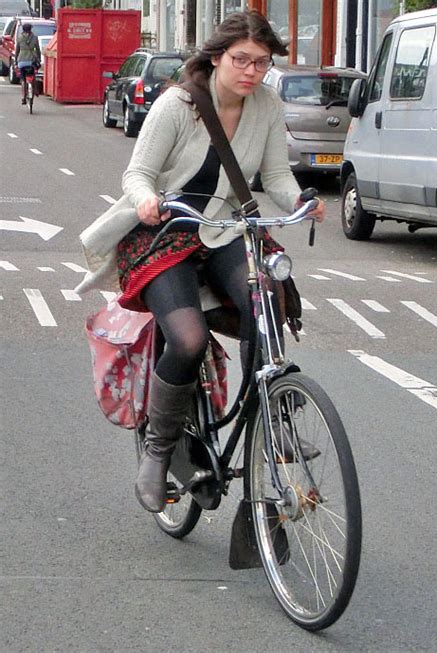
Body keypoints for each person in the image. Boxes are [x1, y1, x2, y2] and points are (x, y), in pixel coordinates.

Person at [76, 11, 325, 514]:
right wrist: (147, 199)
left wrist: (301, 200)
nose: (252, 72)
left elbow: (275, 177)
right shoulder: (179, 104)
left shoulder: (266, 106)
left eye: (261, 63)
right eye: (242, 61)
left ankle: (273, 422)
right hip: (165, 232)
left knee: (267, 300)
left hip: (225, 229)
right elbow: (139, 172)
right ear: (217, 57)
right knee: (187, 340)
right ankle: (158, 452)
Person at [15, 22, 41, 105]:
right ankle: (35, 89)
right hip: (31, 61)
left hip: (21, 61)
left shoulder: (19, 38)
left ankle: (23, 97)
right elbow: (37, 50)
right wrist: (39, 59)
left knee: (23, 79)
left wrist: (16, 61)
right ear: (30, 30)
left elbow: (17, 51)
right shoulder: (35, 38)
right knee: (33, 75)